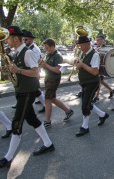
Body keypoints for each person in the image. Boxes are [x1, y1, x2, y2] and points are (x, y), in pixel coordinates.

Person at [0, 26, 55, 169]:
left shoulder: (27, 53)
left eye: (8, 38)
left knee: (16, 123)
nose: (6, 41)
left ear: (16, 38)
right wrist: (10, 71)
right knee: (32, 119)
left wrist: (17, 70)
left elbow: (36, 73)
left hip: (28, 92)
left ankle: (8, 158)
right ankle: (48, 144)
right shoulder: (17, 53)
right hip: (21, 90)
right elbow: (20, 72)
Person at [75, 35, 109, 137]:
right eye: (79, 45)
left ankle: (84, 127)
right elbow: (80, 66)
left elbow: (95, 72)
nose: (80, 47)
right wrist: (77, 64)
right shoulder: (83, 53)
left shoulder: (95, 55)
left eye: (82, 45)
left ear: (88, 44)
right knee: (88, 104)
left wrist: (82, 65)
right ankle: (103, 115)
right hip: (85, 83)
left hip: (92, 83)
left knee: (85, 106)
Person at [39, 39, 74, 128]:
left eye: (47, 47)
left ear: (52, 46)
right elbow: (48, 68)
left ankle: (47, 121)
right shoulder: (48, 54)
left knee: (47, 100)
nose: (46, 49)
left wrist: (45, 65)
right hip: (48, 79)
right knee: (53, 98)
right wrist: (42, 65)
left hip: (53, 80)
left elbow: (57, 70)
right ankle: (68, 111)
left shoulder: (58, 56)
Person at [22, 30, 45, 113]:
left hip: (34, 72)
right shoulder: (28, 48)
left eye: (26, 40)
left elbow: (35, 62)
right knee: (36, 90)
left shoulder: (34, 49)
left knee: (36, 90)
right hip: (31, 72)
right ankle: (45, 104)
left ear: (31, 39)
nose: (24, 41)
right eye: (23, 39)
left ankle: (46, 105)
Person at [92, 35, 114, 103]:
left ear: (103, 40)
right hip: (97, 66)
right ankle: (111, 90)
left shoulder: (106, 47)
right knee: (101, 81)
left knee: (98, 81)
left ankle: (96, 97)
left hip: (102, 67)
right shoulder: (97, 47)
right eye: (97, 40)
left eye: (100, 39)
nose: (98, 41)